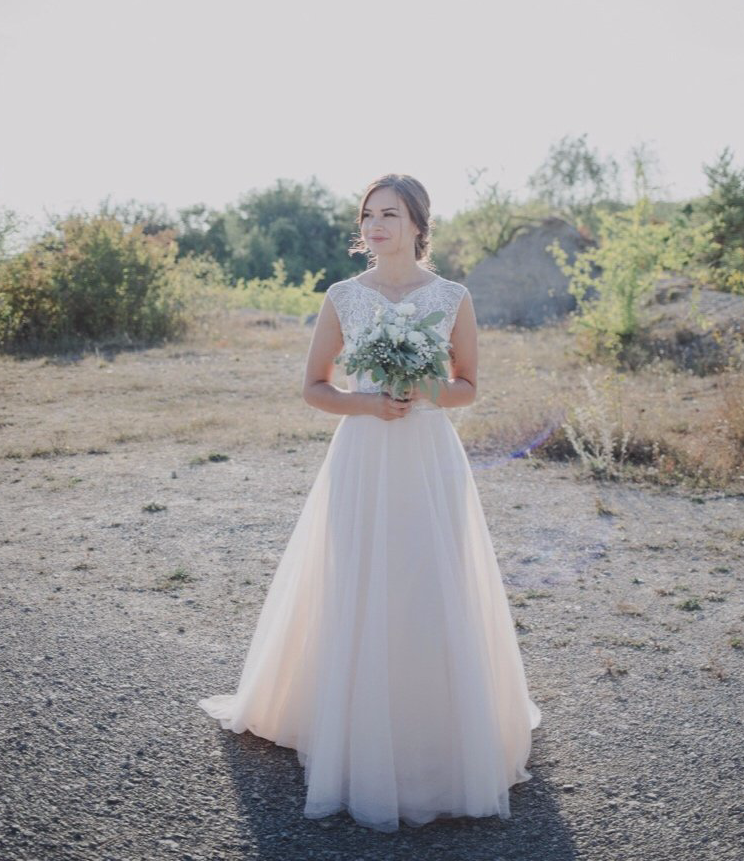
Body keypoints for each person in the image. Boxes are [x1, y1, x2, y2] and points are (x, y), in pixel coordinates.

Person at [198, 173, 541, 832]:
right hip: (362, 455)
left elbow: (468, 386)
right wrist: (367, 404)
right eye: (368, 215)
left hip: (429, 459)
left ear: (418, 225)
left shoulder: (452, 296)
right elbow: (314, 387)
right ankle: (349, 721)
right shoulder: (343, 296)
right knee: (356, 578)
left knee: (428, 579)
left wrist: (422, 390)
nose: (376, 226)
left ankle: (437, 724)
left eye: (390, 215)